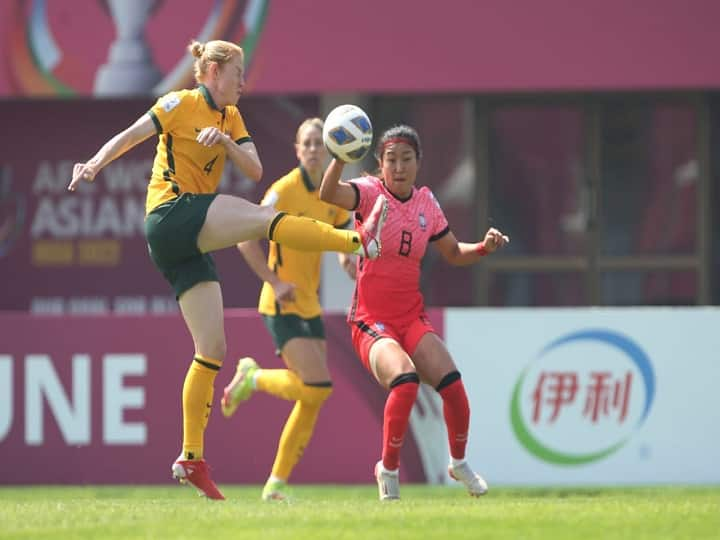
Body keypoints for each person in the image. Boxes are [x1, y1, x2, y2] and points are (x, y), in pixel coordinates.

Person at [67, 40, 388, 501]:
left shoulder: (231, 118)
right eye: (238, 71)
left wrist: (223, 142)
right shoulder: (181, 102)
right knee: (261, 220)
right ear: (213, 72)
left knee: (212, 348)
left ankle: (191, 457)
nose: (243, 80)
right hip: (171, 213)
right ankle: (358, 239)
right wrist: (94, 163)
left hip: (182, 245)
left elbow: (253, 169)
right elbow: (133, 134)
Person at [319, 124, 509, 501]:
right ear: (380, 163)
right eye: (391, 160)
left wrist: (485, 247)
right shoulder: (369, 192)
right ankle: (387, 470)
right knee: (405, 381)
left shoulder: (427, 203)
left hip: (411, 318)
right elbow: (327, 193)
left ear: (419, 163)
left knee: (453, 387)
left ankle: (457, 463)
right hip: (371, 321)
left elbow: (454, 253)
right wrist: (338, 159)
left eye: (406, 159)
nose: (399, 167)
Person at [221, 117, 356, 501]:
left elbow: (344, 233)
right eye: (307, 143)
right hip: (280, 305)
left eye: (319, 143)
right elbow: (245, 239)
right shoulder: (282, 192)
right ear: (297, 150)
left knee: (312, 397)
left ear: (328, 150)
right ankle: (254, 378)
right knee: (318, 387)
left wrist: (349, 260)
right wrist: (274, 282)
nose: (314, 149)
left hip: (310, 304)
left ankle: (275, 485)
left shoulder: (333, 194)